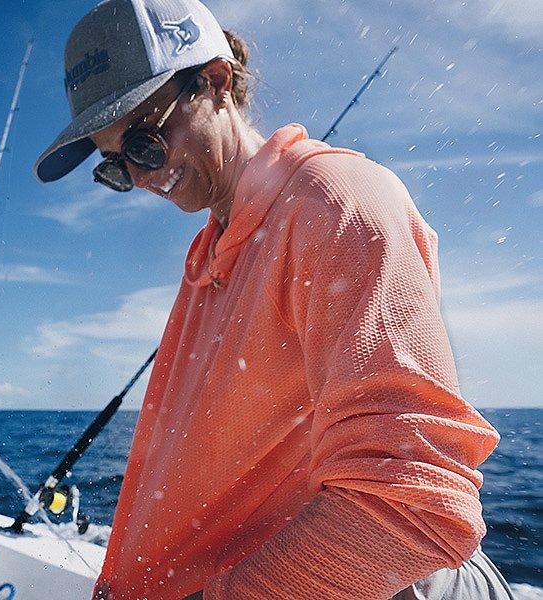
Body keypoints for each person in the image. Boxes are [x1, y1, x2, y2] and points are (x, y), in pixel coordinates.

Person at [35, 1, 514, 599]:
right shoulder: (209, 251)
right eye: (116, 167)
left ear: (214, 81)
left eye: (147, 144)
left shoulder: (337, 203)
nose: (142, 177)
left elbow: (412, 505)